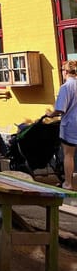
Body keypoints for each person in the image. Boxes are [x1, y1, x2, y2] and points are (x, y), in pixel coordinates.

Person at [47, 60, 77, 190]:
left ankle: (68, 183)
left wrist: (50, 114)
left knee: (68, 155)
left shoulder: (66, 87)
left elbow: (60, 109)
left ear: (65, 72)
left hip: (70, 125)